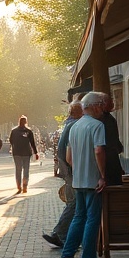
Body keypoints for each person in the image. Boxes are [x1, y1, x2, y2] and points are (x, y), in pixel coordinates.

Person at [59, 91, 109, 258]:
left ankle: (67, 253)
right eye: (101, 105)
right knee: (92, 219)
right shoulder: (97, 126)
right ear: (94, 106)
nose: (103, 109)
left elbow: (69, 157)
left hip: (78, 180)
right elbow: (98, 151)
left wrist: (77, 171)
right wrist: (102, 175)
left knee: (78, 217)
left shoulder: (74, 127)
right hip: (92, 180)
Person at [43, 100, 83, 248]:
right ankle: (59, 234)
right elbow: (69, 152)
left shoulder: (68, 124)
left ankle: (62, 234)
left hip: (66, 168)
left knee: (73, 202)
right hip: (70, 169)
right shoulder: (75, 125)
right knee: (74, 203)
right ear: (79, 112)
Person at [8, 116, 39, 193]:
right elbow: (32, 143)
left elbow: (11, 141)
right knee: (26, 169)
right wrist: (35, 153)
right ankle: (25, 185)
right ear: (26, 122)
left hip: (17, 153)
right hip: (26, 153)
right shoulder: (29, 131)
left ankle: (19, 186)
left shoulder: (14, 131)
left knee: (18, 170)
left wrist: (15, 147)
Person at [99, 93, 125, 187]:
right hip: (109, 160)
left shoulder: (107, 118)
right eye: (111, 101)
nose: (113, 103)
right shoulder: (104, 120)